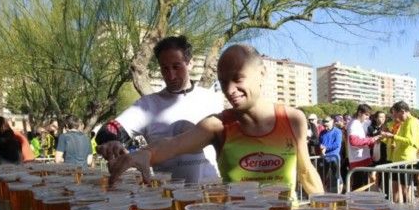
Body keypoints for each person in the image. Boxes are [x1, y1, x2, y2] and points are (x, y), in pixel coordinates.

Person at [99, 44, 324, 195]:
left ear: (262, 74)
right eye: (223, 81)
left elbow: (305, 172)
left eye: (237, 79)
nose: (230, 90)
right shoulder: (218, 125)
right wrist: (143, 154)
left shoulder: (293, 119)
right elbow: (174, 144)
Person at [96, 35, 223, 183]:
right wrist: (112, 142)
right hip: (168, 195)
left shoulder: (212, 99)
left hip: (211, 194)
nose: (171, 75)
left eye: (176, 66)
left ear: (190, 63)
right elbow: (109, 130)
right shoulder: (148, 105)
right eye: (165, 68)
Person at [381, 101, 419, 202]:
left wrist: (392, 136)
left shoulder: (412, 122)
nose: (394, 117)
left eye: (395, 114)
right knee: (395, 189)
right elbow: (400, 140)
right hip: (398, 160)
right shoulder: (404, 122)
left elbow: (410, 141)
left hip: (405, 161)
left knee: (406, 190)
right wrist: (386, 137)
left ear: (402, 111)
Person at [347, 104, 380, 191]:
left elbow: (360, 140)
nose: (367, 117)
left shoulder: (358, 123)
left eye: (369, 115)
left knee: (363, 186)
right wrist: (371, 140)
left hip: (361, 159)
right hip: (358, 160)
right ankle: (355, 204)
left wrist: (371, 141)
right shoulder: (354, 124)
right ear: (359, 113)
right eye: (366, 115)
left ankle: (357, 203)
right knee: (359, 187)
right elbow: (354, 142)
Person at [318, 116, 342, 192]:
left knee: (337, 177)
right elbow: (320, 142)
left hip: (334, 158)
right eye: (324, 126)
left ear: (332, 122)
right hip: (323, 158)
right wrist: (320, 147)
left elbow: (337, 144)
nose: (325, 128)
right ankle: (322, 194)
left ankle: (340, 195)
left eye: (327, 126)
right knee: (321, 177)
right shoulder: (322, 132)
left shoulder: (337, 132)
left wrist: (325, 148)